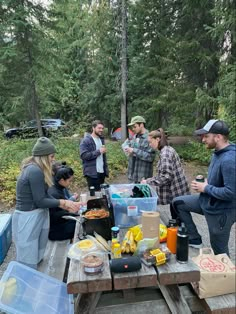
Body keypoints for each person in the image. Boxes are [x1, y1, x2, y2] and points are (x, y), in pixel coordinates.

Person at [12, 137, 81, 269]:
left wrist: (64, 204)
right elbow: (40, 201)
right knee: (28, 256)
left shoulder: (36, 169)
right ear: (43, 156)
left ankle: (37, 279)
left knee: (37, 253)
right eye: (51, 156)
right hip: (28, 217)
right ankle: (29, 283)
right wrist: (62, 201)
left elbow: (45, 195)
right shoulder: (34, 171)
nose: (53, 159)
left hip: (36, 215)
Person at [172, 120, 236, 255]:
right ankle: (195, 239)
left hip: (221, 211)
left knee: (220, 252)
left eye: (206, 136)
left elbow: (231, 192)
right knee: (178, 203)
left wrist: (206, 188)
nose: (203, 140)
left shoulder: (229, 159)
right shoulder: (218, 152)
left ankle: (227, 275)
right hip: (207, 201)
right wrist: (207, 183)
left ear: (218, 137)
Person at [141, 128, 190, 219]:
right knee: (177, 220)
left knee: (181, 222)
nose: (149, 144)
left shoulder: (165, 154)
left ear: (157, 139)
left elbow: (166, 177)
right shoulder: (166, 150)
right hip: (176, 196)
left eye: (150, 142)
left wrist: (147, 181)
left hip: (177, 195)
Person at [48, 166, 78, 241]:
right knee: (81, 225)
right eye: (69, 181)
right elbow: (54, 216)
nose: (70, 183)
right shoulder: (55, 193)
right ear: (61, 180)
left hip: (59, 223)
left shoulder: (58, 188)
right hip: (54, 231)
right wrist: (70, 212)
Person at [125, 116, 155, 183]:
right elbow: (131, 151)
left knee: (143, 193)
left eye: (135, 126)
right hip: (132, 177)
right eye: (132, 127)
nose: (133, 129)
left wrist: (134, 150)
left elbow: (150, 157)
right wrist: (128, 150)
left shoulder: (150, 138)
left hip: (143, 178)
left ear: (141, 125)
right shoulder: (134, 137)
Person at [80, 120, 109, 191]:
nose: (101, 130)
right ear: (93, 128)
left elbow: (102, 157)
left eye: (102, 128)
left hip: (101, 172)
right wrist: (99, 151)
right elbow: (84, 156)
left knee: (102, 194)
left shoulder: (101, 139)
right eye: (99, 128)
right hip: (92, 173)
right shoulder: (86, 140)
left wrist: (105, 170)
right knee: (94, 196)